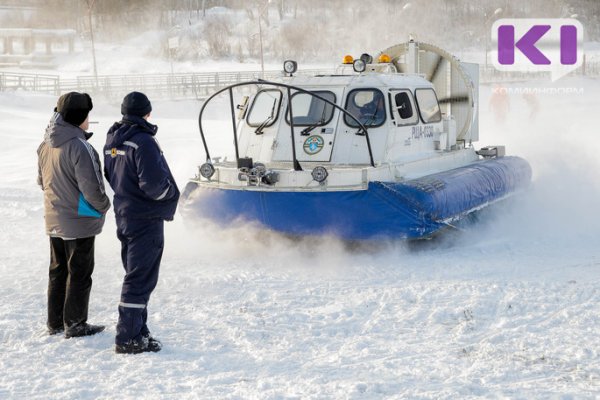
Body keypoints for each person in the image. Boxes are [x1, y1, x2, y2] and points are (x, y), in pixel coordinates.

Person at [103, 92, 180, 354]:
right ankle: (127, 338)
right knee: (139, 279)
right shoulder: (143, 141)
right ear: (147, 112)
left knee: (136, 274)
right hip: (145, 218)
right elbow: (154, 185)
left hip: (125, 215)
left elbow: (111, 175)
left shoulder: (112, 140)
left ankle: (139, 330)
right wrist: (169, 192)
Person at [37, 92, 111, 338]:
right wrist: (104, 205)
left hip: (54, 217)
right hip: (79, 221)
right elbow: (92, 188)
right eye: (87, 115)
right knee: (79, 272)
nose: (89, 120)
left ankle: (55, 322)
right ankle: (75, 323)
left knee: (58, 270)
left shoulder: (46, 144)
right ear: (80, 117)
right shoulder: (81, 147)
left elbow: (41, 181)